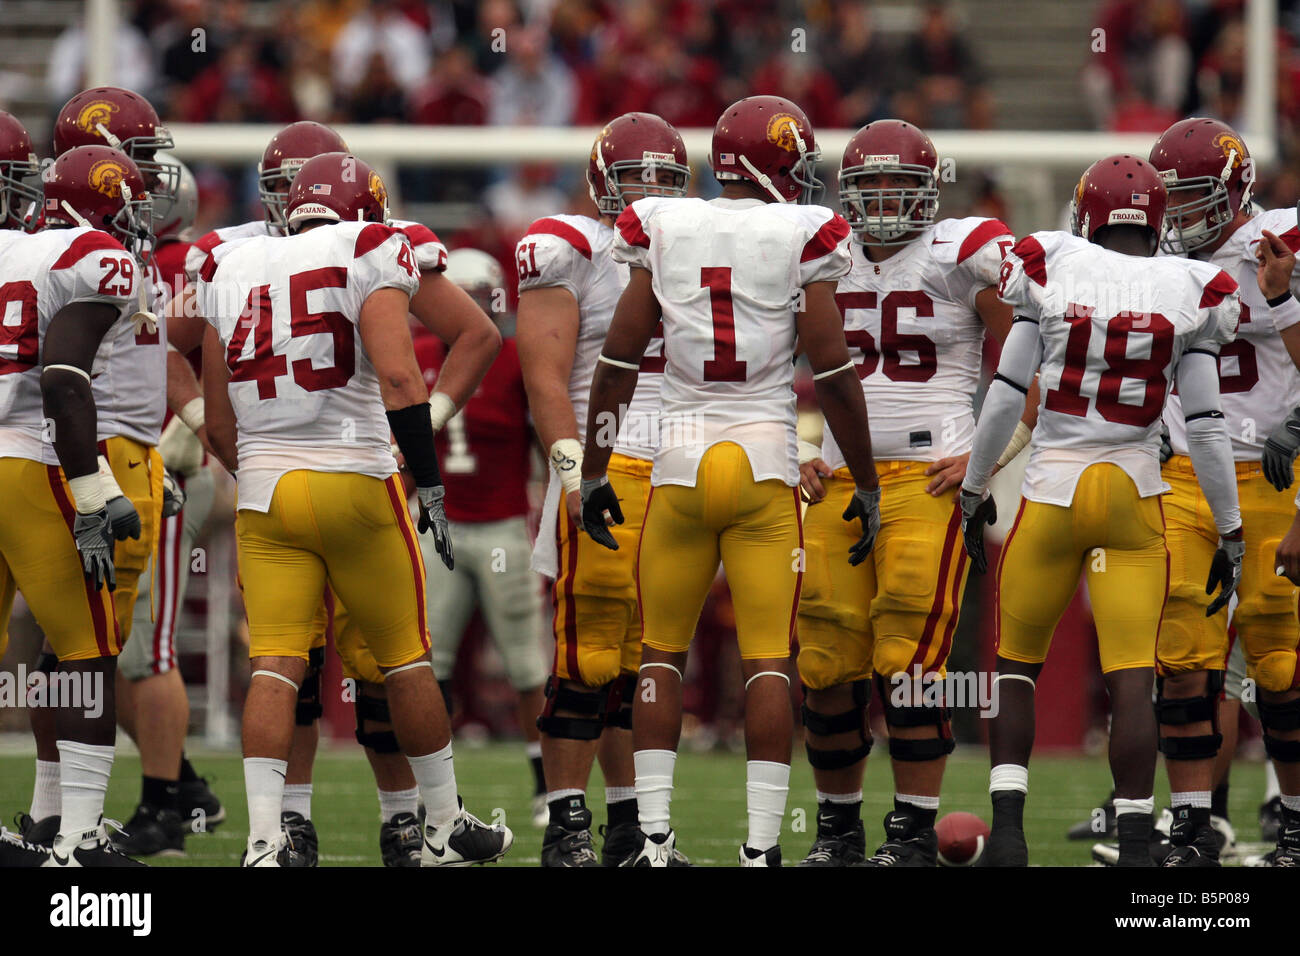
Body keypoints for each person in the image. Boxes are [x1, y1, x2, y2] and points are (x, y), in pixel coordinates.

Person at [580, 95, 882, 866]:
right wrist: (867, 480)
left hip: (677, 462)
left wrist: (592, 470)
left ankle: (651, 840)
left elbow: (617, 363)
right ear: (773, 162)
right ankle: (759, 849)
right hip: (762, 463)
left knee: (658, 655)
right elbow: (836, 373)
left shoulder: (665, 223)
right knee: (769, 661)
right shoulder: (801, 233)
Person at [198, 152, 511, 867]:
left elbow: (218, 424)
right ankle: (441, 825)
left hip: (266, 493)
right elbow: (400, 375)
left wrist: (262, 473)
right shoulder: (371, 244)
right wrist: (426, 475)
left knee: (276, 666)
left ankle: (263, 842)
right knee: (405, 659)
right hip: (355, 479)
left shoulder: (226, 265)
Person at [960, 153, 1244, 867]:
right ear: (1156, 220)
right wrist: (1231, 526)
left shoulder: (1051, 261)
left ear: (1087, 215)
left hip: (1053, 488)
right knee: (1130, 678)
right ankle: (1140, 841)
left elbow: (1004, 390)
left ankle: (1011, 834)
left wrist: (972, 488)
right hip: (1132, 492)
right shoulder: (1189, 285)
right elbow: (1207, 424)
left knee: (1016, 666)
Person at [795, 119, 1032, 866]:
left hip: (932, 477)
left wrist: (991, 456)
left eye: (902, 185)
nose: (887, 199)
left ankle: (911, 832)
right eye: (871, 186)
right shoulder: (820, 255)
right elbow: (762, 358)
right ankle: (837, 832)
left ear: (931, 193)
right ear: (847, 194)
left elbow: (1032, 350)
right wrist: (784, 442)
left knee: (912, 657)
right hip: (839, 478)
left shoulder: (959, 254)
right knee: (825, 657)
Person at [516, 112, 690, 867]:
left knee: (639, 661)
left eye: (665, 178)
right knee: (585, 657)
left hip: (678, 469)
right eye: (636, 176)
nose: (650, 191)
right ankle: (566, 828)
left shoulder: (691, 247)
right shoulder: (572, 247)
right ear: (600, 180)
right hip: (603, 467)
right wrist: (574, 475)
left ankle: (631, 829)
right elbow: (545, 378)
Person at [0, 145, 155, 866]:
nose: (136, 214)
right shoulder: (88, 253)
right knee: (87, 651)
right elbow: (63, 380)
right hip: (29, 466)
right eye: (127, 199)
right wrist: (94, 492)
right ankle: (79, 832)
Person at [1153, 117, 1300, 866]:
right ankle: (1192, 829)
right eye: (1169, 199)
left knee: (1279, 662)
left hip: (1274, 475)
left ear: (1237, 189)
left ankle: (1296, 825)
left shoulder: (1277, 243)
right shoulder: (1152, 258)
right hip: (1183, 476)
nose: (1179, 216)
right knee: (1185, 655)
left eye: (1193, 198)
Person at [418, 248, 550, 828]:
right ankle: (437, 794)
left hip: (501, 523)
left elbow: (545, 435)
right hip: (436, 527)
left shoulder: (516, 357)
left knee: (527, 665)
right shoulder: (419, 353)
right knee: (427, 663)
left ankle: (548, 786)